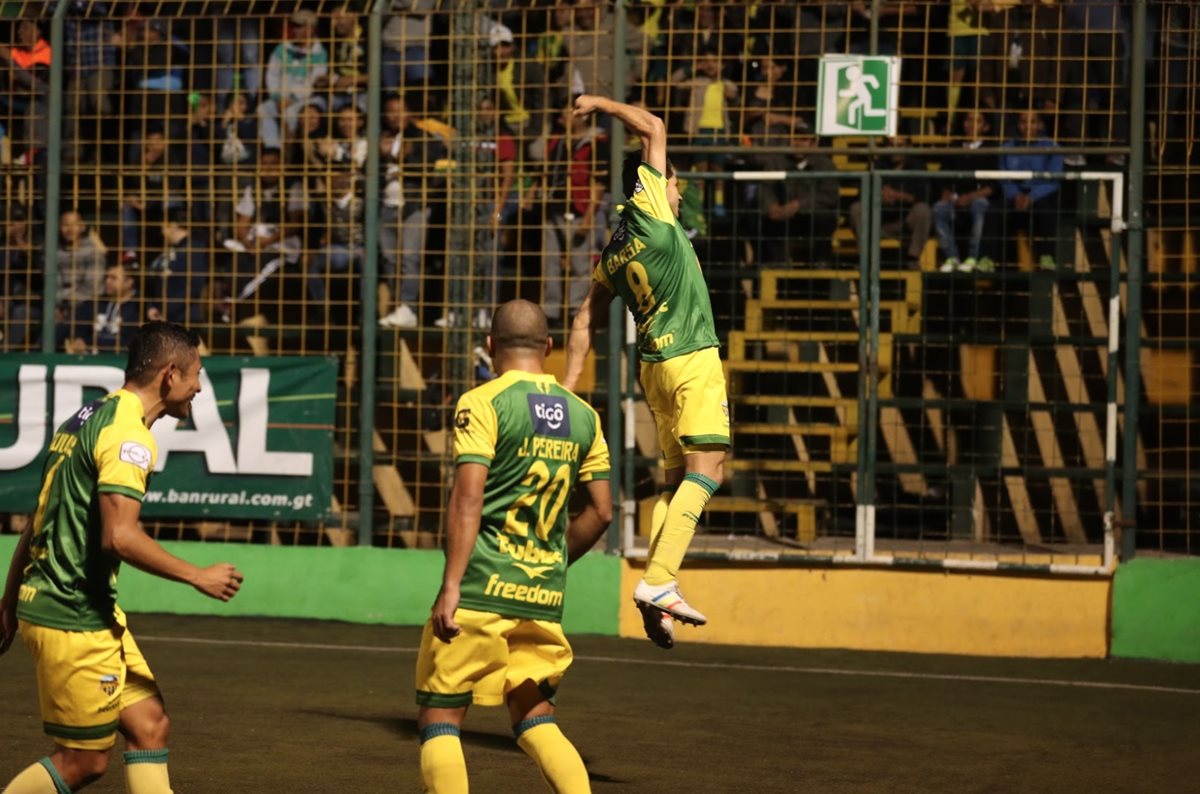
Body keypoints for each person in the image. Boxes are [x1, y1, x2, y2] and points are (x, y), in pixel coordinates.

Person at [0, 321, 245, 794]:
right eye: (196, 374)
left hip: (85, 610)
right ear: (170, 374)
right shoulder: (128, 437)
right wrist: (198, 575)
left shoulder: (86, 416)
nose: (199, 387)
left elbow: (38, 519)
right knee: (83, 762)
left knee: (149, 725)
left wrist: (9, 602)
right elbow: (120, 538)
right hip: (71, 616)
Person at [415, 299, 611, 793]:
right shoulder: (584, 416)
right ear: (549, 347)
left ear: (489, 346)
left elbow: (468, 498)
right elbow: (602, 512)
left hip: (482, 587)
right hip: (542, 595)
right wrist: (552, 559)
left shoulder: (482, 402)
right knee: (535, 718)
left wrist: (452, 585)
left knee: (441, 718)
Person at [563, 94, 728, 650]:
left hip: (654, 369)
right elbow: (654, 126)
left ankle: (660, 584)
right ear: (655, 186)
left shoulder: (613, 252)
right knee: (710, 471)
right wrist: (599, 102)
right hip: (692, 358)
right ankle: (658, 581)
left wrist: (568, 386)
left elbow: (584, 320)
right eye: (674, 184)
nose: (678, 193)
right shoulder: (654, 211)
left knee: (677, 482)